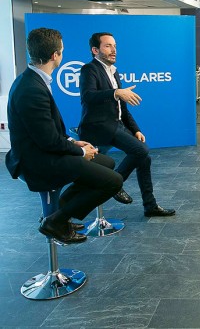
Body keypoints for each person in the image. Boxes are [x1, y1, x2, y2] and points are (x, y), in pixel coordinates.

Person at [5, 28, 123, 244]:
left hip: (44, 150)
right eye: (62, 51)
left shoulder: (35, 80)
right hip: (36, 160)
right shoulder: (31, 88)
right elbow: (47, 140)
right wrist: (79, 151)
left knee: (107, 162)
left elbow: (47, 131)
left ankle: (60, 213)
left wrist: (73, 141)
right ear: (55, 55)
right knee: (113, 182)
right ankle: (55, 222)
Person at [78, 32, 175, 217]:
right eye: (107, 46)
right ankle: (115, 184)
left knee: (144, 157)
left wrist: (135, 129)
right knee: (141, 151)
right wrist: (116, 92)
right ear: (95, 50)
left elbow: (122, 108)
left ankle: (150, 205)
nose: (113, 50)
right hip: (98, 127)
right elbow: (88, 97)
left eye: (114, 46)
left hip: (116, 125)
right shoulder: (89, 69)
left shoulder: (114, 71)